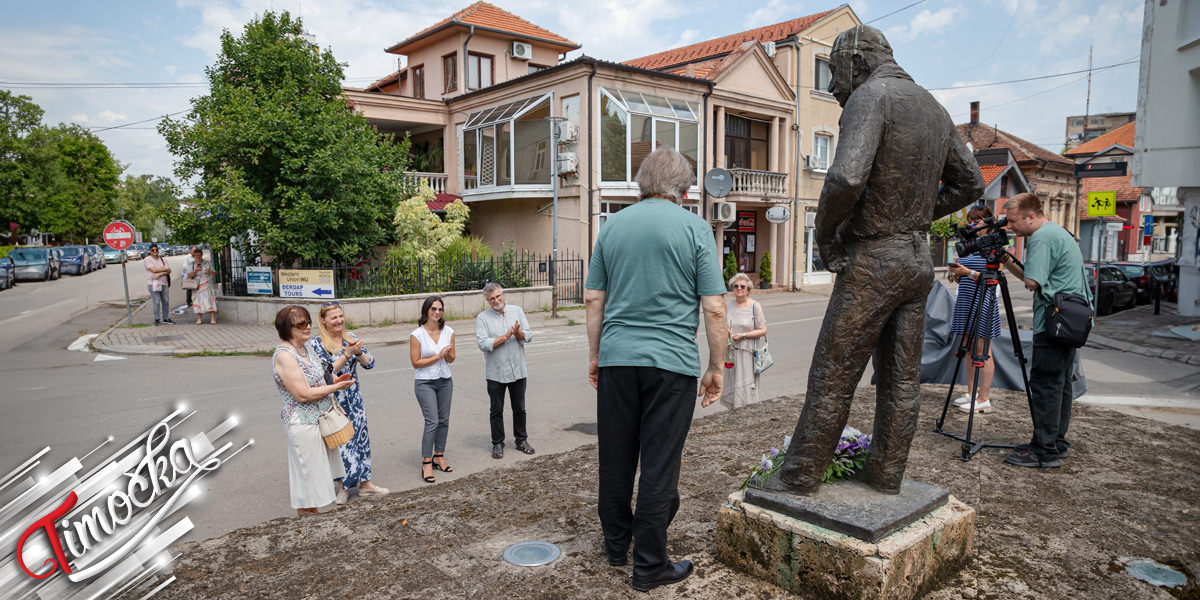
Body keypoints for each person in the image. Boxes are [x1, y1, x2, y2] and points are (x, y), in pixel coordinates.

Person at [773, 25, 984, 495]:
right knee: (901, 379)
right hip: (915, 260)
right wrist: (915, 216)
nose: (833, 87)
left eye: (834, 72)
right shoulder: (933, 107)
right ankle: (886, 475)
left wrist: (825, 237)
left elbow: (846, 178)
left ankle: (799, 476)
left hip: (874, 260)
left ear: (856, 63)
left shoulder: (871, 97)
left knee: (832, 375)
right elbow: (971, 183)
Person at [584, 148, 729, 593]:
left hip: (617, 359)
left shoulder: (612, 227)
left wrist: (596, 355)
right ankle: (648, 565)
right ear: (683, 191)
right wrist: (716, 367)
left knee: (615, 458)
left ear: (642, 184)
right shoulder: (696, 228)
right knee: (659, 466)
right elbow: (714, 308)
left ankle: (616, 546)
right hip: (671, 364)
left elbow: (593, 299)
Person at [998, 193, 1087, 469]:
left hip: (1053, 322)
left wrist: (1006, 261)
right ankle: (1056, 442)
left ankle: (1043, 450)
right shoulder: (1058, 232)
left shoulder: (1041, 238)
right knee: (1060, 384)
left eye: (1013, 221)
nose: (1010, 227)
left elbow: (1032, 282)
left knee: (1046, 385)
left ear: (1031, 216)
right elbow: (1034, 278)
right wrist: (1007, 259)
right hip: (1070, 321)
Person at [271, 305, 355, 515]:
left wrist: (336, 380)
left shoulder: (306, 348)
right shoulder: (285, 355)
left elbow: (322, 375)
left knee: (318, 477)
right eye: (301, 324)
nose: (308, 326)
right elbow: (303, 394)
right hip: (303, 423)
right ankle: (308, 522)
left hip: (320, 419)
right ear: (287, 328)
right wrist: (336, 388)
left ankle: (312, 520)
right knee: (308, 480)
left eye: (308, 322)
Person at [311, 301, 388, 505]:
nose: (339, 320)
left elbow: (370, 363)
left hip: (354, 398)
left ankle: (366, 485)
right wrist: (347, 355)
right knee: (340, 444)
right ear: (323, 321)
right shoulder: (317, 344)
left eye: (340, 316)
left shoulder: (350, 338)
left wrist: (359, 352)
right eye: (334, 317)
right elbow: (325, 373)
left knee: (361, 439)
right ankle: (343, 488)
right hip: (333, 401)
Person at [947, 206, 1003, 414]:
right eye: (971, 220)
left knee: (982, 349)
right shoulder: (968, 244)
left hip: (984, 299)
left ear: (988, 222)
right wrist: (956, 275)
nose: (973, 225)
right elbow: (961, 276)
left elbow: (995, 277)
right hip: (965, 299)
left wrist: (968, 273)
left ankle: (984, 398)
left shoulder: (994, 245)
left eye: (977, 221)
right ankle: (971, 393)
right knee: (968, 348)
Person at [475, 283, 535, 459]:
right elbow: (483, 343)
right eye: (491, 298)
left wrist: (517, 333)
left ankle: (521, 440)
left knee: (519, 408)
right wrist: (505, 337)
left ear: (503, 294)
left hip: (518, 370)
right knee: (496, 410)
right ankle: (497, 443)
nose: (496, 300)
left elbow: (529, 335)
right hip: (496, 373)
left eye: (498, 296)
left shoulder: (517, 311)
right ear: (487, 300)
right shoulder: (482, 318)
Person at [411, 296, 456, 484]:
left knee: (444, 420)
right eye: (433, 309)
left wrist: (447, 354)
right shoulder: (417, 335)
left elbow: (452, 359)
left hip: (445, 380)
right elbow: (415, 363)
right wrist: (438, 356)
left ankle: (439, 456)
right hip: (425, 383)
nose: (437, 312)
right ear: (426, 311)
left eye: (440, 309)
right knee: (432, 421)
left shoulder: (448, 331)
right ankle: (426, 462)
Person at [721, 272, 768, 409]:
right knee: (731, 380)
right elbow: (723, 324)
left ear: (748, 290)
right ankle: (733, 411)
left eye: (742, 286)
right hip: (730, 353)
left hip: (747, 352)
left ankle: (747, 411)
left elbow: (763, 330)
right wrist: (726, 330)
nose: (739, 289)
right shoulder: (728, 305)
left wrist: (744, 335)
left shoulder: (755, 306)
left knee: (745, 383)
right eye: (736, 286)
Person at [183, 247, 219, 325]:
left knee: (209, 300)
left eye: (199, 255)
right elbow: (189, 275)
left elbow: (214, 273)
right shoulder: (191, 264)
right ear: (194, 256)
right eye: (196, 255)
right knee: (197, 301)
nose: (198, 257)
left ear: (202, 255)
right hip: (196, 286)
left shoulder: (207, 263)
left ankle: (212, 318)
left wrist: (209, 271)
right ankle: (199, 319)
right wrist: (195, 270)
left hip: (207, 285)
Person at [143, 244, 174, 325]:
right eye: (153, 250)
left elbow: (169, 271)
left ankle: (166, 318)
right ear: (150, 251)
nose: (155, 251)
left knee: (166, 301)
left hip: (164, 283)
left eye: (156, 249)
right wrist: (164, 270)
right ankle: (157, 319)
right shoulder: (147, 259)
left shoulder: (163, 259)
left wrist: (160, 274)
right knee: (156, 302)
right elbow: (153, 270)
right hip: (153, 283)